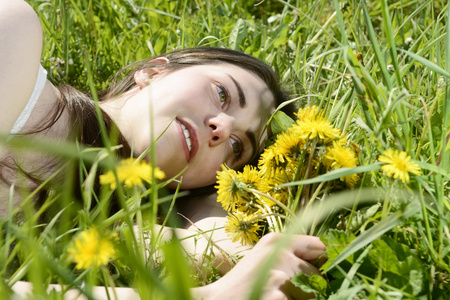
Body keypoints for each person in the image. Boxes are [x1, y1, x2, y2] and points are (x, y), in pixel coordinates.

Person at [0, 0, 326, 299]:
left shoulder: (123, 233)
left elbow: (226, 248)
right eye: (223, 94)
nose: (223, 128)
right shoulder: (15, 29)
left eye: (237, 147)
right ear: (154, 71)